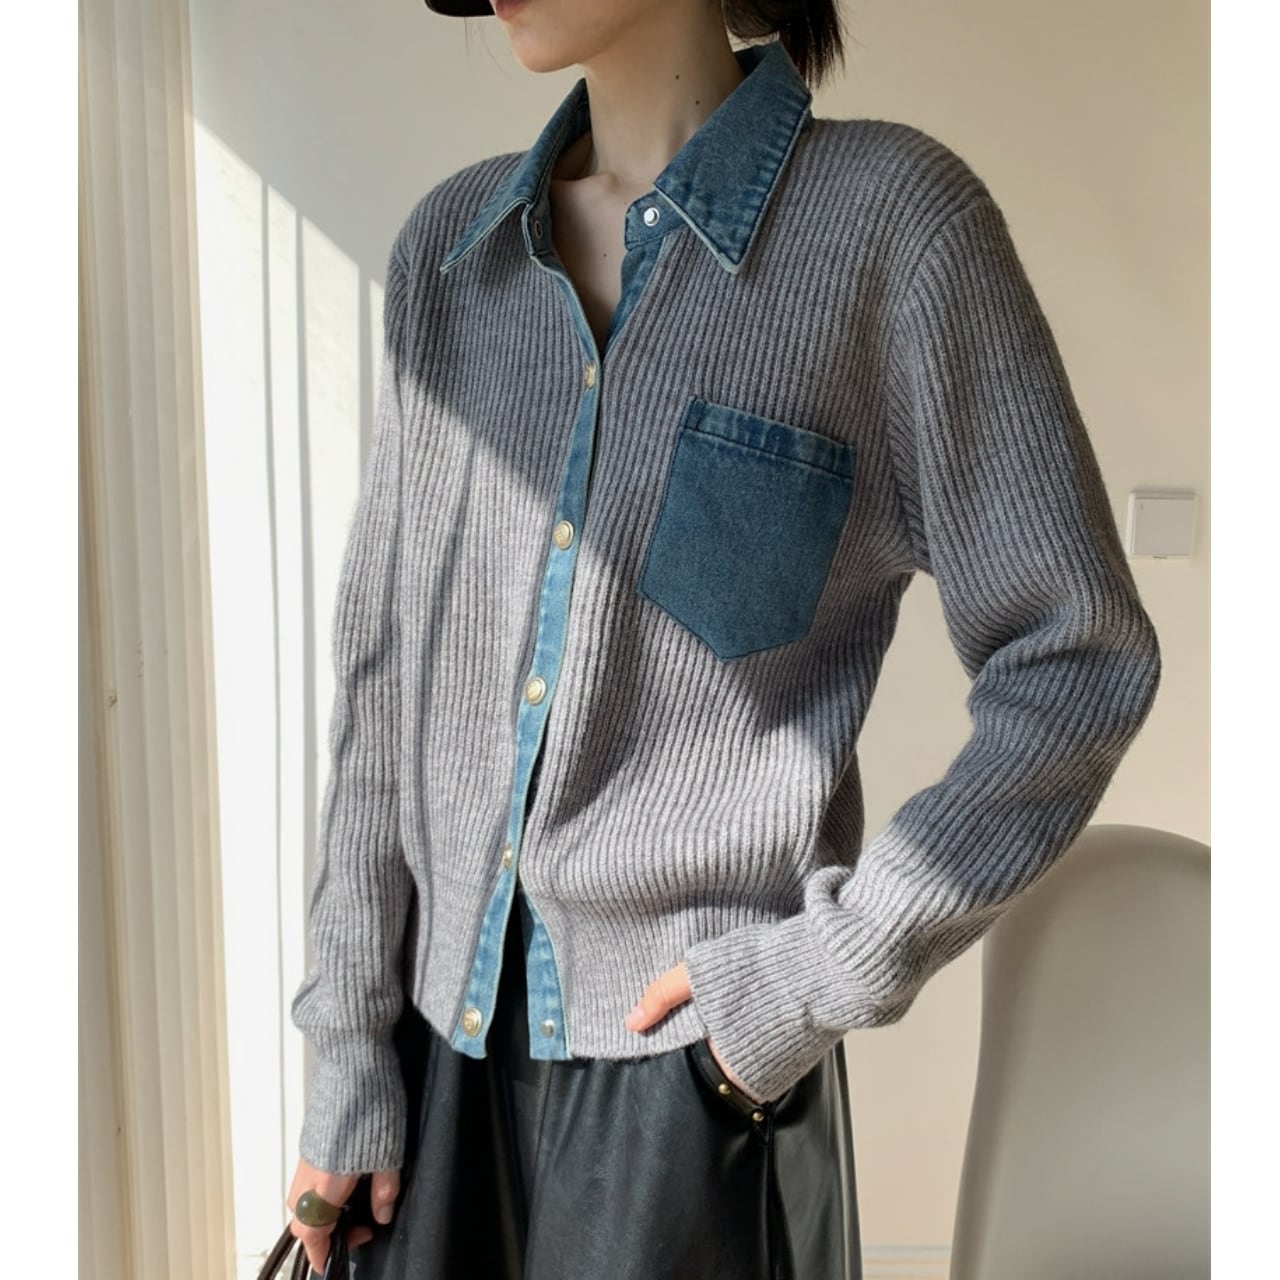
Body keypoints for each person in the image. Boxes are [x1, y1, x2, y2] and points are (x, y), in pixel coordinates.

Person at [283, 0, 1163, 1275]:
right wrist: (348, 1048)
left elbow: (1076, 656)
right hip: (431, 1077)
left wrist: (810, 980)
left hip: (690, 1086)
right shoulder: (451, 255)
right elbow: (383, 684)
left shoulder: (893, 231)